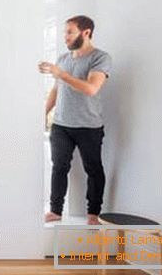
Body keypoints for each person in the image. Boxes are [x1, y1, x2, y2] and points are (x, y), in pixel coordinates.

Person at [38, 15, 112, 226]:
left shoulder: (100, 58)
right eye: (64, 32)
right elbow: (56, 89)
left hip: (89, 127)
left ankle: (93, 214)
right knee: (59, 167)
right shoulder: (63, 58)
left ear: (86, 32)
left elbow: (91, 88)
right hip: (61, 125)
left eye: (69, 32)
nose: (65, 37)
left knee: (93, 169)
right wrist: (43, 112)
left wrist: (60, 73)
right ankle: (55, 211)